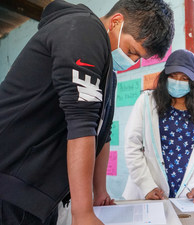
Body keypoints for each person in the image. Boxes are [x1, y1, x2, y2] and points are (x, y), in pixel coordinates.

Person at [0, 0, 174, 224]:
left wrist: (99, 191)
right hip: (12, 179)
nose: (131, 61)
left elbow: (101, 132)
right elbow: (81, 123)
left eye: (138, 58)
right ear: (116, 22)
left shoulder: (108, 75)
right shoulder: (84, 31)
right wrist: (82, 213)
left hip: (40, 191)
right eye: (132, 51)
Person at [123, 49, 194, 202]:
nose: (177, 81)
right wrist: (146, 186)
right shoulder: (147, 101)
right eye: (173, 76)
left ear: (192, 82)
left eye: (184, 78)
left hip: (185, 193)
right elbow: (132, 144)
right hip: (147, 190)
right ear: (165, 76)